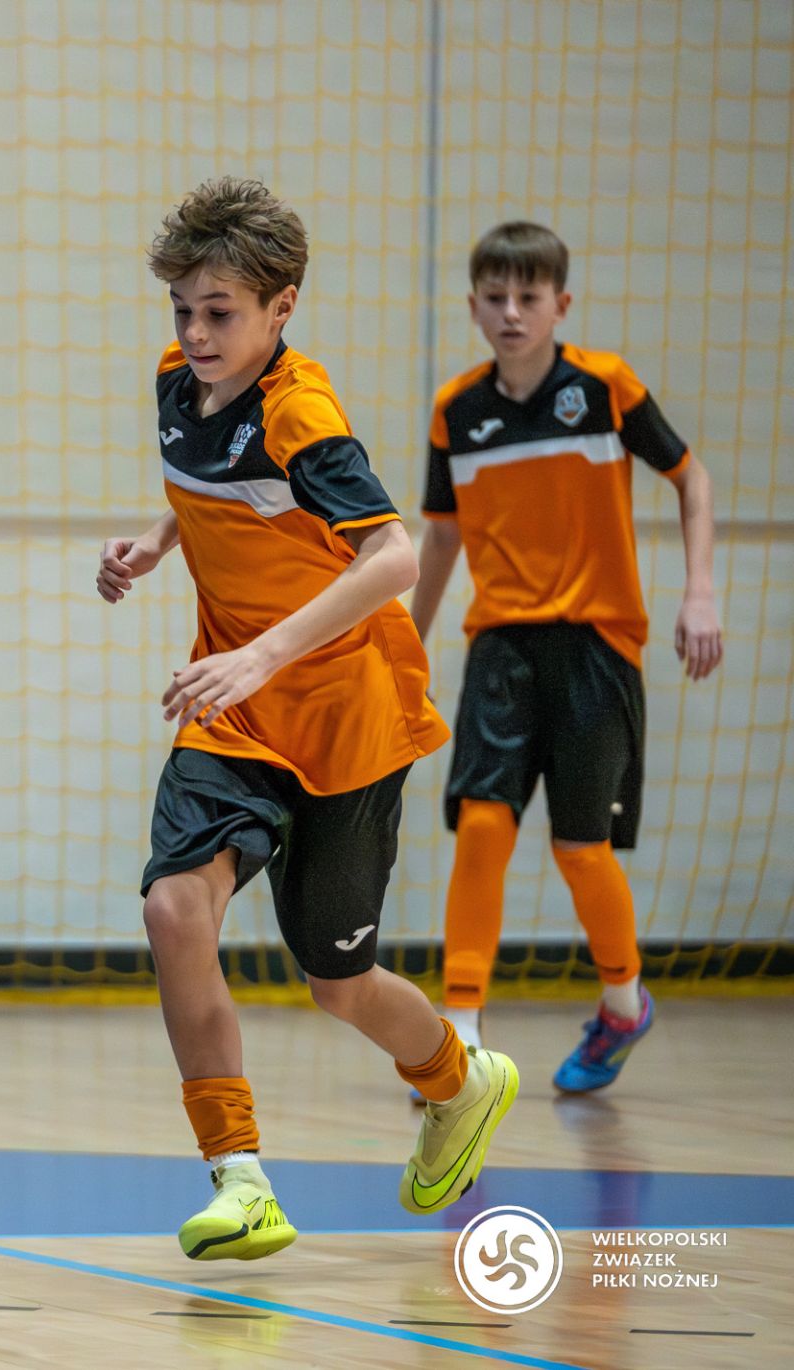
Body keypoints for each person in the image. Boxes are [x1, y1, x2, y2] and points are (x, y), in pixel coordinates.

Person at [97, 177, 514, 1262]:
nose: (195, 332)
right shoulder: (177, 382)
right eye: (183, 308)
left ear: (282, 308)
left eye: (220, 312)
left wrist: (263, 652)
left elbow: (394, 556)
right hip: (233, 716)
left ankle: (459, 1080)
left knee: (337, 981)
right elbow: (220, 487)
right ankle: (239, 1178)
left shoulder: (302, 414)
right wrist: (158, 541)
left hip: (345, 715)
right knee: (174, 911)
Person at [410, 221, 721, 1094]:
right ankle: (460, 1032)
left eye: (529, 297)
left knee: (581, 848)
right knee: (482, 825)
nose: (511, 312)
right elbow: (441, 540)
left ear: (561, 305)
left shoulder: (606, 387)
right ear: (473, 307)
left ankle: (623, 1004)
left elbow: (692, 479)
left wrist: (700, 591)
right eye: (495, 298)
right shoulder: (455, 411)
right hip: (501, 646)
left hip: (597, 647)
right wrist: (404, 645)